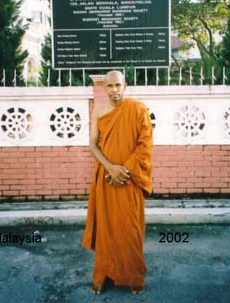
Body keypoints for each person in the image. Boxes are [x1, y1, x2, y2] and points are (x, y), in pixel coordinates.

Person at [82, 70, 153, 295]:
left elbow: (145, 145)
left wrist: (124, 169)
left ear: (126, 86)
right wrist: (111, 168)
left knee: (130, 229)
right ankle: (103, 275)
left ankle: (134, 277)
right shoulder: (99, 111)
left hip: (130, 180)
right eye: (110, 86)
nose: (114, 90)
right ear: (105, 88)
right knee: (106, 229)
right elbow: (93, 145)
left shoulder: (138, 109)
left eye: (118, 85)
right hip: (106, 178)